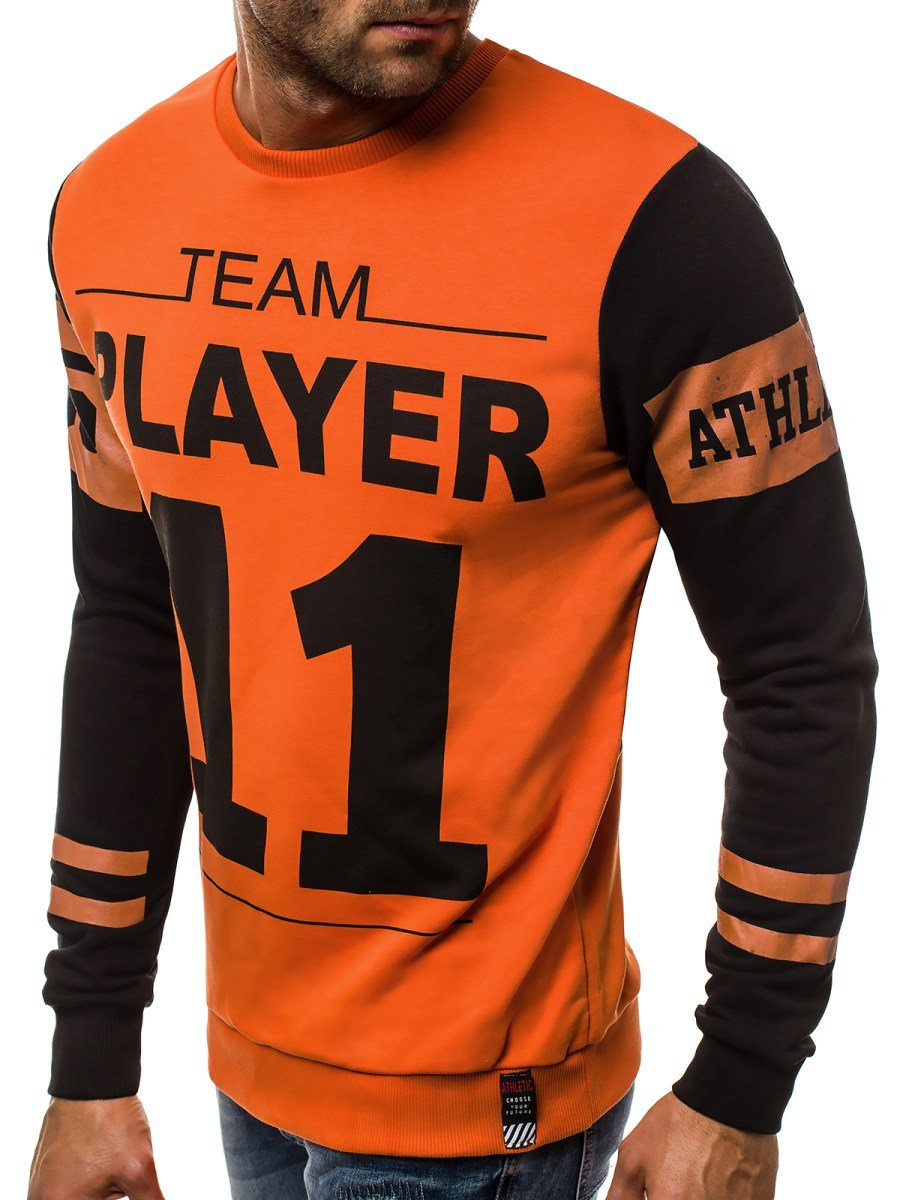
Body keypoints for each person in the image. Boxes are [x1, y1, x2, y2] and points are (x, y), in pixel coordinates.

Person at [27, 3, 879, 1198]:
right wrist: (89, 1060)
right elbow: (132, 621)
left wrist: (743, 1079)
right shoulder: (108, 208)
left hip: (492, 1108)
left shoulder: (659, 219)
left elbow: (801, 662)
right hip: (250, 1067)